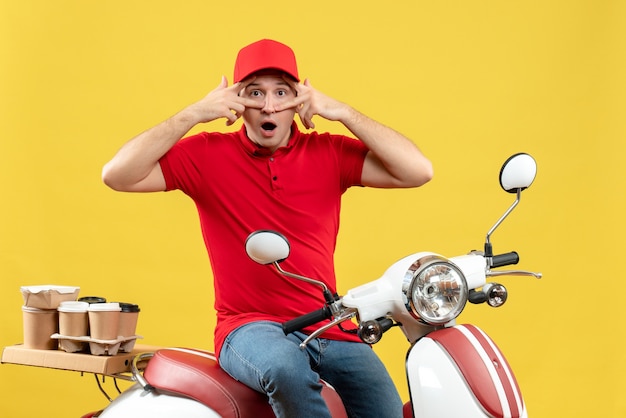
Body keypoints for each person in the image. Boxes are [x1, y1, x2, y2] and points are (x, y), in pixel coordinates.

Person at [102, 39, 433, 418]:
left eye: (282, 93)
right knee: (284, 368)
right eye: (254, 93)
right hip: (248, 328)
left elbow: (418, 170)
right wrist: (192, 113)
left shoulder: (329, 153)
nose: (269, 106)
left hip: (328, 324)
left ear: (299, 101)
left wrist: (342, 111)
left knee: (382, 404)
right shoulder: (207, 155)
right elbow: (118, 175)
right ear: (237, 102)